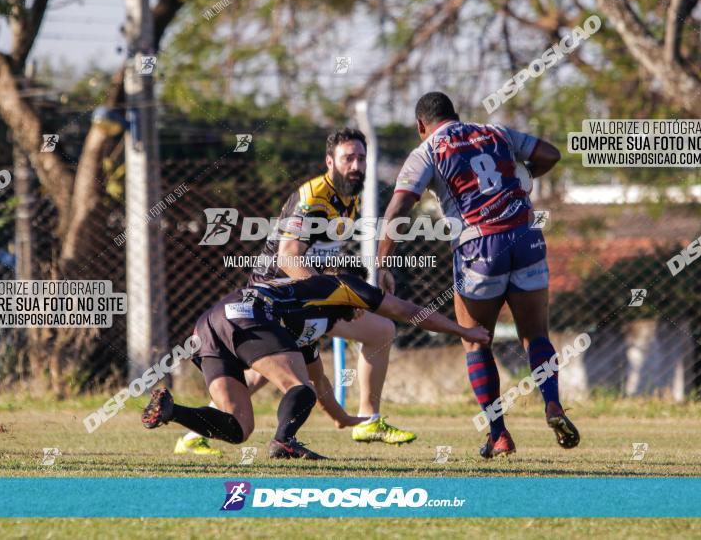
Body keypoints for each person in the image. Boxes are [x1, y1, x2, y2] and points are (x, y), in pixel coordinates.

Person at [176, 128, 415, 456]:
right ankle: (207, 429)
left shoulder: (350, 198)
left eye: (361, 158)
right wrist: (334, 295)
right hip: (277, 297)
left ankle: (368, 421)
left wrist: (356, 279)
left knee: (377, 333)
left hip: (306, 296)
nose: (356, 165)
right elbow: (289, 257)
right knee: (292, 372)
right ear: (330, 161)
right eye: (348, 158)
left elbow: (322, 253)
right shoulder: (312, 196)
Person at [376, 91, 577, 458]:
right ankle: (553, 405)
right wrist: (524, 175)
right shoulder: (495, 132)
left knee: (475, 339)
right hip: (526, 236)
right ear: (456, 114)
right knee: (535, 335)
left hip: (480, 247)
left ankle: (498, 434)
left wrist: (382, 261)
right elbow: (550, 154)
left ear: (421, 125)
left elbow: (399, 205)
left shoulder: (428, 150)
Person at [143, 271, 491, 459]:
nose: (361, 313)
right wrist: (463, 330)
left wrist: (345, 419)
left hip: (208, 325)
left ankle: (172, 411)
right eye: (362, 306)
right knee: (297, 389)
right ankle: (284, 442)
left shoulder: (312, 323)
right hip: (247, 314)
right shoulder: (341, 285)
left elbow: (320, 383)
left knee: (238, 428)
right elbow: (404, 311)